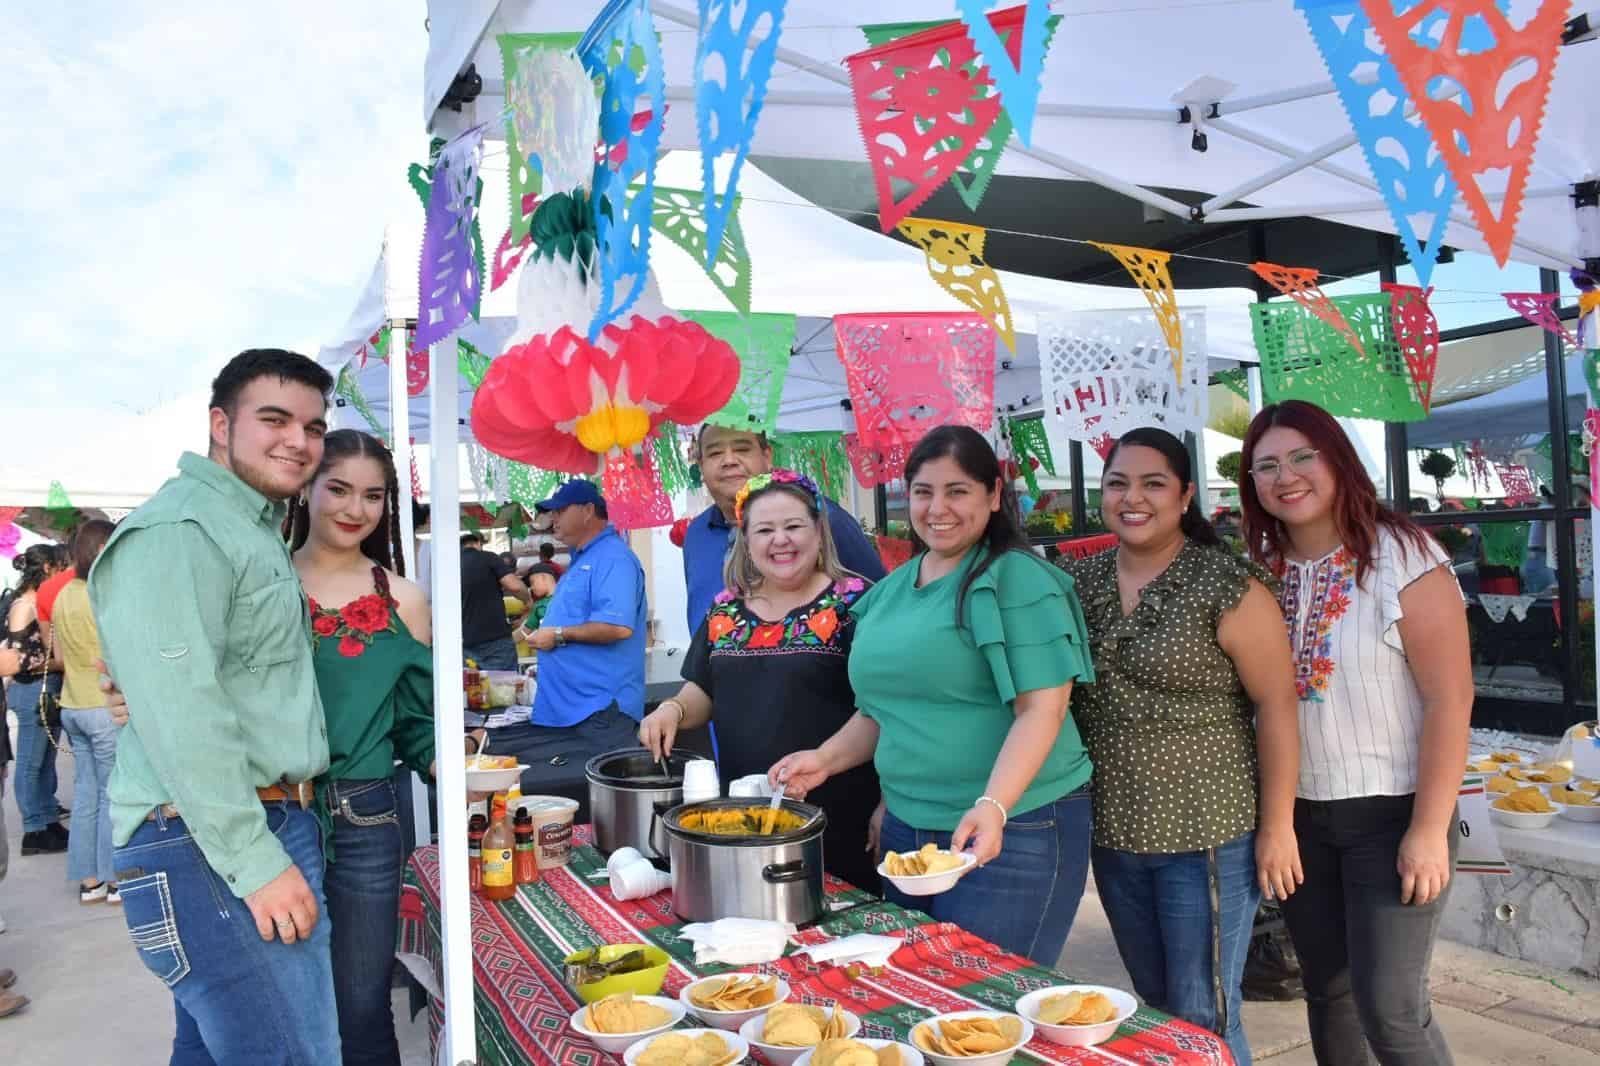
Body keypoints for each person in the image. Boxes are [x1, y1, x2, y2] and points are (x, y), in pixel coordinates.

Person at [90, 349, 342, 1063]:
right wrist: (254, 858)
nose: (299, 439)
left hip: (233, 828)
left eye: (313, 425)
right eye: (275, 419)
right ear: (219, 424)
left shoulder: (244, 525)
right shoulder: (181, 529)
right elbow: (184, 715)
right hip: (215, 837)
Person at [770, 426, 1095, 965]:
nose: (937, 508)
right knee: (929, 997)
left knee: (991, 1007)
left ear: (993, 496)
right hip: (908, 829)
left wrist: (993, 806)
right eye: (923, 492)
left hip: (1016, 828)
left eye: (957, 491)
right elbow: (882, 709)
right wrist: (825, 759)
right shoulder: (894, 589)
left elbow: (1043, 709)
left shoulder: (1019, 579)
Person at [1057, 428, 1301, 1066]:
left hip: (1208, 841)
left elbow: (1277, 705)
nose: (1132, 498)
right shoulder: (1076, 584)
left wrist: (1278, 826)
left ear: (1186, 494)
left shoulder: (1225, 584)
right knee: (1154, 1010)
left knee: (1205, 1014)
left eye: (1152, 483)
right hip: (1114, 834)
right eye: (1117, 484)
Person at [1240, 400, 1471, 1066]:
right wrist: (1274, 821)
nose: (1287, 475)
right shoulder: (1262, 568)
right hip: (1301, 820)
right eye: (1266, 466)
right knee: (1327, 993)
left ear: (1337, 457)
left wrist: (1428, 830)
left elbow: (1449, 699)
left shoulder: (1403, 554)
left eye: (1303, 456)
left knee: (1391, 1010)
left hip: (1393, 814)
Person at [639, 470, 881, 890]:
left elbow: (887, 710)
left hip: (841, 818)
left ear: (819, 530)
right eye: (764, 529)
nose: (780, 540)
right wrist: (673, 708)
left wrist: (888, 803)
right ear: (746, 540)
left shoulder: (857, 604)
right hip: (746, 817)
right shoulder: (725, 610)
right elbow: (705, 689)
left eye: (793, 526)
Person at [285, 429, 439, 1066]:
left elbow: (417, 724)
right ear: (306, 488)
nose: (355, 509)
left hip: (366, 814)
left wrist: (473, 778)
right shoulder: (259, 580)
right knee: (287, 1002)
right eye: (339, 488)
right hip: (267, 814)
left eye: (372, 496)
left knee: (361, 1003)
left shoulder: (402, 599)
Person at [487, 479, 647, 816]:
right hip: (578, 709)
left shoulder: (612, 558)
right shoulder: (584, 558)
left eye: (561, 510)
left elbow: (617, 626)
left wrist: (557, 635)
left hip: (600, 710)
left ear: (588, 511)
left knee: (601, 805)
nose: (553, 519)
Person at [683, 424, 884, 634]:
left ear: (767, 455)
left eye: (742, 449)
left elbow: (880, 603)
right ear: (701, 465)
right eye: (715, 453)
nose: (729, 461)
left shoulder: (822, 519)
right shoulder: (697, 534)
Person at [52, 520, 121, 905]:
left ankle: (90, 880)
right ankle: (114, 880)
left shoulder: (64, 595)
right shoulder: (101, 593)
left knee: (85, 795)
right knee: (113, 795)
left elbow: (59, 656)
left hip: (72, 705)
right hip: (101, 705)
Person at [3, 543, 69, 855]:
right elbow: (20, 659)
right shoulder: (23, 607)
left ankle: (47, 817)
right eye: (58, 566)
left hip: (47, 688)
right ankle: (33, 828)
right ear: (47, 569)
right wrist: (59, 661)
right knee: (31, 763)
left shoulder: (39, 602)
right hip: (32, 690)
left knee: (45, 762)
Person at [460, 531, 529, 669]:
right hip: (496, 640)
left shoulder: (450, 565)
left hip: (464, 643)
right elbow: (515, 587)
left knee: (472, 688)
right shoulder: (488, 557)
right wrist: (527, 599)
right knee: (504, 687)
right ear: (478, 543)